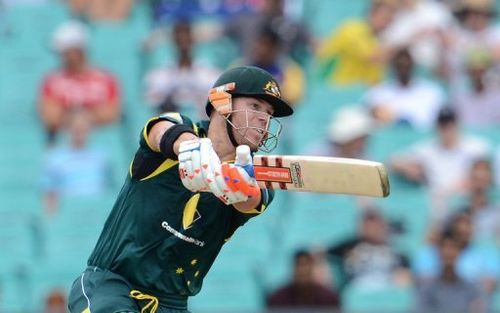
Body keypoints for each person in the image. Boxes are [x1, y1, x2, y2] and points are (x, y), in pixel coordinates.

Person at [67, 66, 294, 313]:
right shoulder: (181, 130)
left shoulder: (258, 174)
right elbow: (159, 130)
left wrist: (235, 183)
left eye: (270, 114)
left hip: (173, 305)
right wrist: (191, 148)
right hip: (111, 286)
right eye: (255, 107)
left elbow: (252, 199)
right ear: (222, 103)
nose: (265, 119)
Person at [390, 107, 491, 221]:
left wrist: (465, 182)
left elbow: (486, 172)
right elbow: (393, 161)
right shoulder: (428, 149)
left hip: (466, 201)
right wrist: (409, 168)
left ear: (457, 124)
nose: (447, 129)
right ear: (437, 126)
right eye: (443, 125)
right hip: (435, 202)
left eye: (450, 124)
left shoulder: (475, 147)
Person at [39, 20, 121, 144]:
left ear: (78, 51)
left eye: (65, 52)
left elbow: (111, 113)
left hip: (99, 140)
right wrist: (80, 118)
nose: (62, 57)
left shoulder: (105, 79)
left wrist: (80, 117)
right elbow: (50, 116)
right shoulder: (52, 81)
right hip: (64, 142)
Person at [143, 19, 221, 119]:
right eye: (179, 37)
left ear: (193, 39)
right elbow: (150, 100)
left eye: (186, 35)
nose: (183, 40)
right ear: (173, 41)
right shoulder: (159, 75)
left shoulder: (210, 74)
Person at [41, 110, 111, 215]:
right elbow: (49, 194)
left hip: (97, 212)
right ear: (68, 129)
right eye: (76, 129)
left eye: (83, 129)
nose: (80, 133)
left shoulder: (101, 157)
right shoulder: (54, 158)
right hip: (68, 213)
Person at [326, 209, 411, 291]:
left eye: (376, 226)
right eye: (367, 226)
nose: (372, 230)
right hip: (357, 290)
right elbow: (323, 253)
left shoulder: (395, 250)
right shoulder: (350, 247)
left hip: (387, 290)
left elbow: (405, 270)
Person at [316, 0, 396, 86]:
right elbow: (372, 57)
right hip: (334, 87)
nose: (387, 24)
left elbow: (376, 78)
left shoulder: (378, 40)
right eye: (384, 19)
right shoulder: (352, 30)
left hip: (359, 91)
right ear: (371, 14)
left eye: (390, 20)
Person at [364, 47, 445, 131]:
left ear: (413, 65)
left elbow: (438, 122)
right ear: (393, 67)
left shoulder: (432, 91)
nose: (403, 69)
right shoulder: (378, 92)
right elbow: (372, 119)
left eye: (406, 65)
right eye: (400, 65)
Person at [417, 232, 486, 313]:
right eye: (444, 247)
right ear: (438, 251)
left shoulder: (471, 289)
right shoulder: (427, 289)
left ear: (459, 252)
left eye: (453, 247)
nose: (448, 252)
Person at [266, 250, 340, 310]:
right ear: (293, 269)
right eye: (299, 265)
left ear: (312, 268)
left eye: (306, 265)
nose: (302, 271)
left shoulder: (329, 299)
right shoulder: (277, 299)